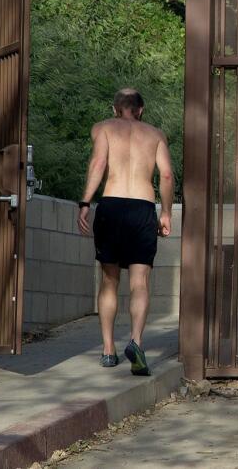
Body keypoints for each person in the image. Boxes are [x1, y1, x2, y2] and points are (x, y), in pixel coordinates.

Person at [77, 88, 173, 376]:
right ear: (141, 109)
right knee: (140, 281)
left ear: (115, 108)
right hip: (142, 208)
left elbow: (99, 163)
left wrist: (85, 202)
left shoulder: (103, 128)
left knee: (109, 280)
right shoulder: (156, 135)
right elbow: (166, 175)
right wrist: (165, 212)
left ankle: (108, 350)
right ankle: (136, 342)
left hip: (112, 206)